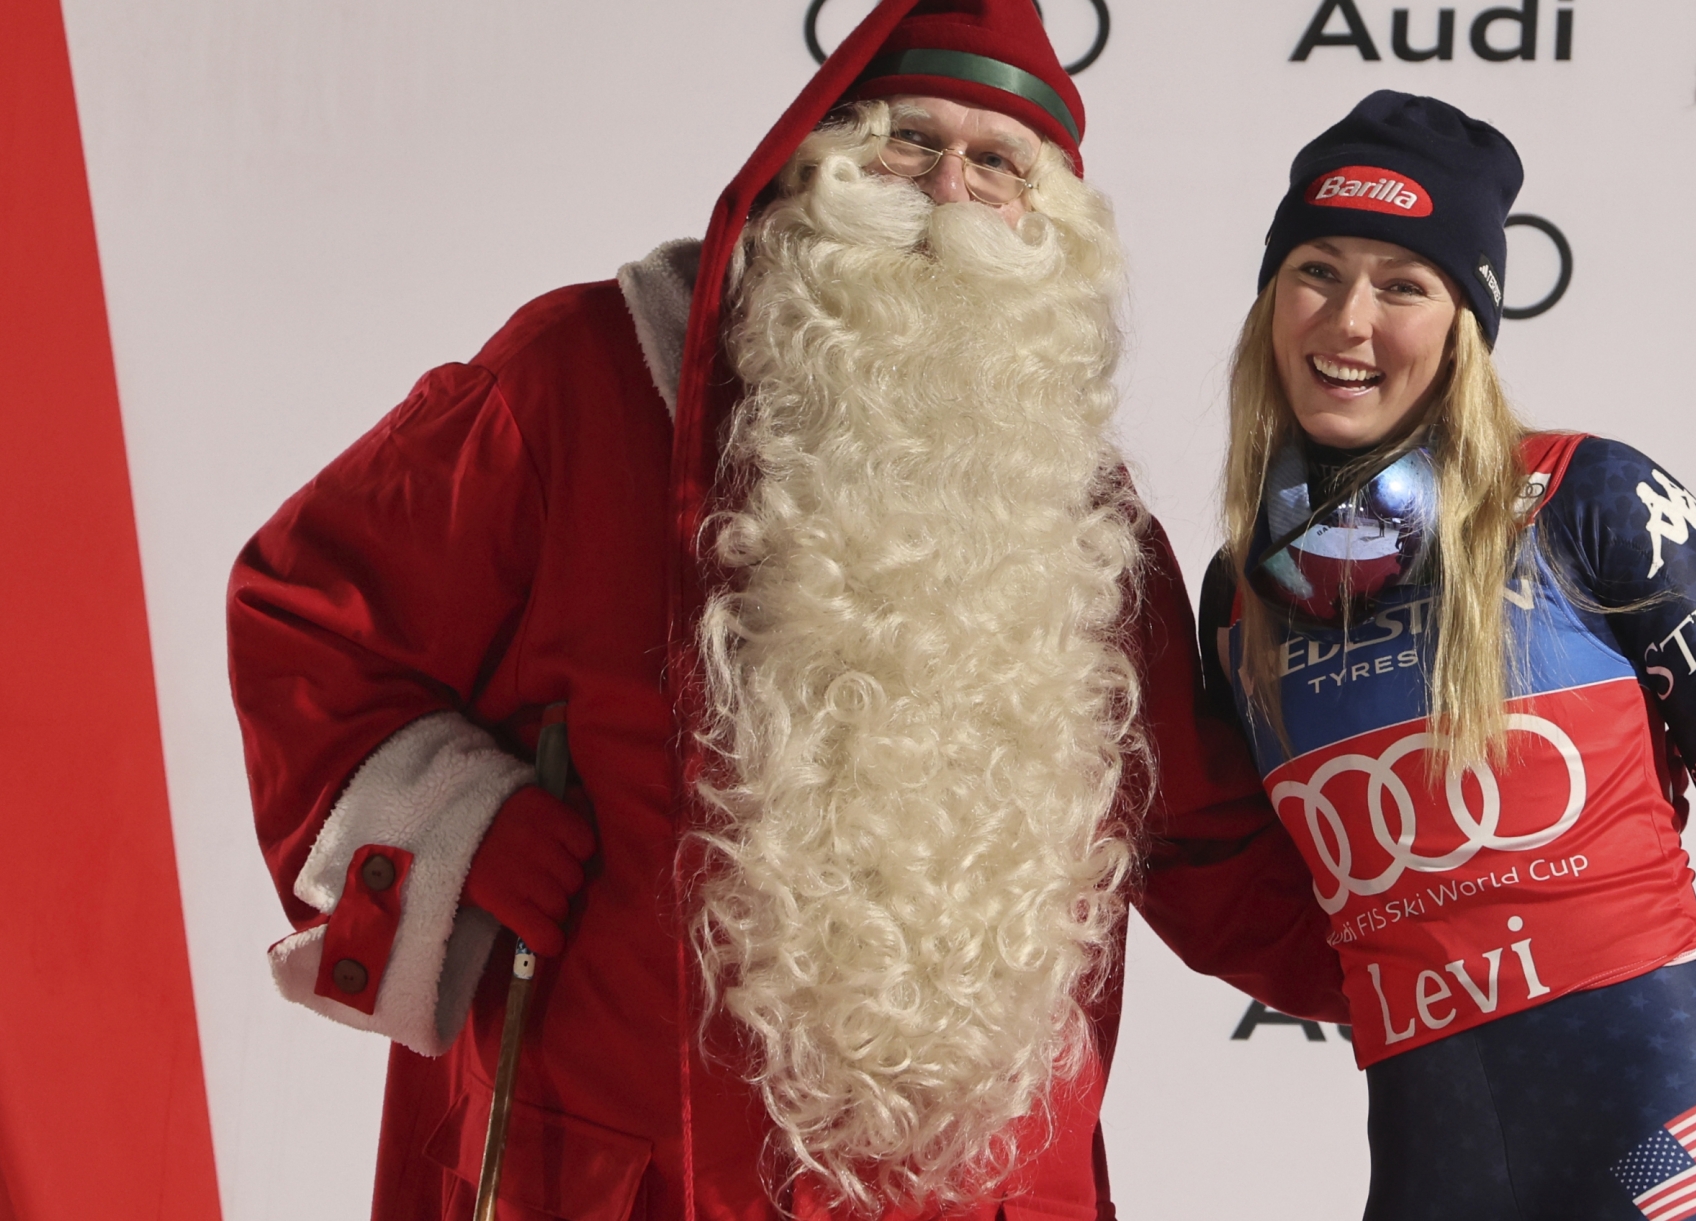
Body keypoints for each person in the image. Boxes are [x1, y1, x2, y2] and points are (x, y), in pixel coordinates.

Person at [226, 3, 1339, 1217]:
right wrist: (460, 822)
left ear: (1049, 227)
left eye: (999, 164)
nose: (948, 196)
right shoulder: (582, 379)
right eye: (911, 144)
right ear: (819, 163)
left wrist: (1477, 944)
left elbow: (1206, 842)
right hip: (638, 1174)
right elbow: (311, 614)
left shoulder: (1082, 516)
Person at [1195, 91, 1696, 1221]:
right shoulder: (1239, 596)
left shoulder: (1593, 499)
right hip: (1434, 1167)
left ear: (1465, 325)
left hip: (1668, 1151)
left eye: (1403, 285)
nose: (1348, 321)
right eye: (1317, 270)